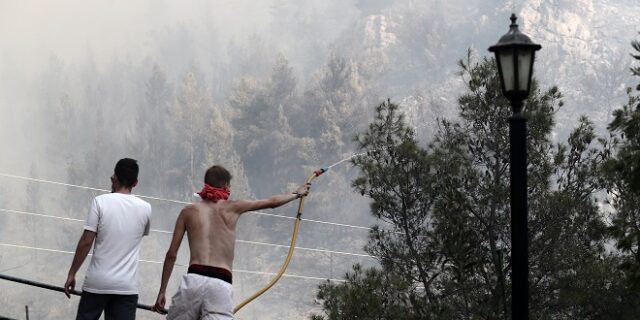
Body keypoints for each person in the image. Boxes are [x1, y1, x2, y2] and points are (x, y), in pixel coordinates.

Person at [152, 165, 310, 319]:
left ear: (206, 184)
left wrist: (162, 291)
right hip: (221, 284)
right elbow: (271, 202)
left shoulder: (188, 212)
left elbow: (171, 255)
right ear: (226, 185)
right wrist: (297, 193)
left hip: (193, 281)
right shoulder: (233, 207)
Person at [64, 158, 152, 320]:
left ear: (114, 178)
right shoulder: (146, 209)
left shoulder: (100, 202)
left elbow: (86, 242)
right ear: (135, 182)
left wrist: (72, 273)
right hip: (126, 288)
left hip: (97, 284)